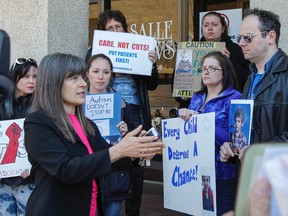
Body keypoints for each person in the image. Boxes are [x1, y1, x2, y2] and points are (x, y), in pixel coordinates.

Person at [23, 52, 164, 216]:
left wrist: (135, 151)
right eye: (74, 78)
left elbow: (109, 161)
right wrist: (119, 149)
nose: (83, 83)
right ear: (54, 83)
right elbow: (66, 169)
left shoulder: (86, 123)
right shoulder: (37, 122)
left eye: (82, 77)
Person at [86, 10, 159, 216]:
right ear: (103, 31)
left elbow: (152, 85)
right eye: (110, 28)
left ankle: (133, 210)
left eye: (119, 27)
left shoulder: (137, 48)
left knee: (136, 160)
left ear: (125, 29)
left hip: (134, 109)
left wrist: (151, 64)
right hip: (107, 106)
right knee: (109, 153)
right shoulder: (95, 51)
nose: (115, 31)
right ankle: (106, 202)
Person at [178, 51, 242, 215]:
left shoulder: (234, 98)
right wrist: (183, 120)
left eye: (212, 68)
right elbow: (189, 133)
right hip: (194, 171)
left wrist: (203, 122)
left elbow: (235, 139)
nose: (206, 72)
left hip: (221, 173)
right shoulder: (197, 97)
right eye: (203, 68)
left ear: (224, 72)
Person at [220, 8, 288, 158]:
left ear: (270, 37)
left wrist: (258, 151)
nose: (241, 43)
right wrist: (232, 146)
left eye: (248, 37)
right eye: (240, 37)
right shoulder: (251, 77)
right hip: (252, 173)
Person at [86, 53, 135, 215]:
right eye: (96, 71)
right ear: (87, 73)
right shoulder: (76, 105)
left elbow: (133, 144)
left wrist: (126, 133)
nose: (101, 77)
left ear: (111, 75)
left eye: (106, 72)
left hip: (114, 176)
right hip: (87, 174)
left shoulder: (122, 106)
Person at [0, 58, 38, 216]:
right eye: (26, 76)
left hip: (29, 181)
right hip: (3, 183)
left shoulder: (40, 107)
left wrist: (34, 168)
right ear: (14, 77)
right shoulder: (1, 105)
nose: (31, 81)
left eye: (35, 76)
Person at [200, 11, 250, 92]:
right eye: (205, 25)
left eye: (214, 24)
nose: (209, 28)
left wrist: (228, 63)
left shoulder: (236, 49)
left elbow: (246, 79)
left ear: (223, 29)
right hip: (199, 101)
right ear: (202, 29)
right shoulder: (193, 50)